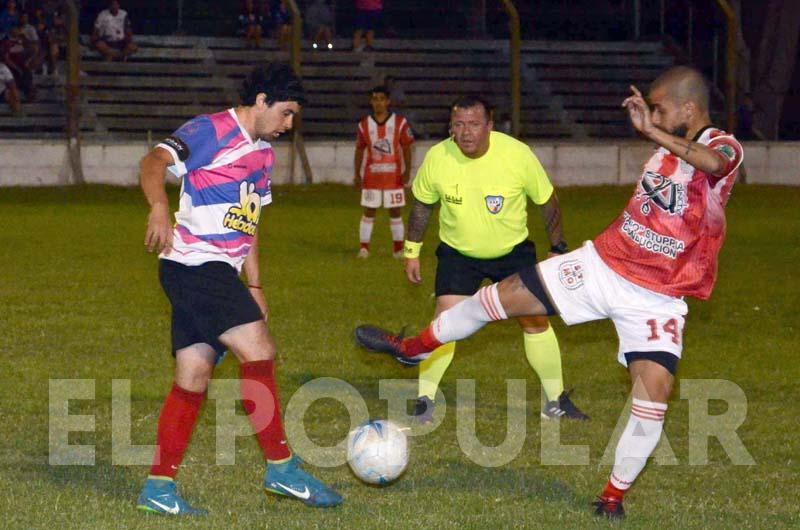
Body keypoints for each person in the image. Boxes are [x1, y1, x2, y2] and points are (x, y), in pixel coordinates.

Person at [355, 66, 743, 519]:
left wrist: (653, 130)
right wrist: (656, 131)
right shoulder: (664, 149)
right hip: (601, 265)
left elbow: (714, 165)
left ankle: (611, 497)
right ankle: (412, 348)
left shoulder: (724, 146)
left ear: (689, 109)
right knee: (494, 301)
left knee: (653, 396)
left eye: (661, 107)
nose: (653, 115)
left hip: (657, 297)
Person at [137, 63, 342, 516]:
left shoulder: (264, 153)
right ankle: (282, 468)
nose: (289, 125)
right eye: (286, 114)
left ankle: (158, 486)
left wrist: (255, 283)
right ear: (262, 100)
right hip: (194, 266)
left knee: (193, 376)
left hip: (213, 272)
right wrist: (157, 206)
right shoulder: (211, 130)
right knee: (260, 350)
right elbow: (154, 161)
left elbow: (250, 221)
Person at [401, 95, 588, 424]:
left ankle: (555, 401)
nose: (466, 132)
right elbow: (421, 204)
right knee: (445, 323)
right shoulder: (438, 158)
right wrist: (412, 250)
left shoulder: (516, 155)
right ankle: (424, 401)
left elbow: (547, 200)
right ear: (450, 127)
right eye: (458, 125)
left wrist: (557, 247)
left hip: (512, 253)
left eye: (474, 124)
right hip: (458, 254)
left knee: (535, 321)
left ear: (489, 126)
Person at [354, 85, 414, 259]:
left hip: (393, 176)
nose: (378, 103)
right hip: (372, 177)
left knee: (395, 211)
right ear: (371, 102)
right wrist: (357, 173)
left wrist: (407, 170)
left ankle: (398, 249)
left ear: (388, 101)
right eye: (375, 99)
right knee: (369, 211)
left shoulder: (400, 123)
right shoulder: (364, 125)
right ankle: (364, 248)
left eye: (381, 99)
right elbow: (359, 150)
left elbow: (407, 147)